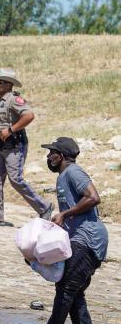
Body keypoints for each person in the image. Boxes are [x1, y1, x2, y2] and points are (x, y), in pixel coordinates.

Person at [41, 137, 108, 324]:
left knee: (66, 289)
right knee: (75, 293)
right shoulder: (63, 176)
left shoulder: (73, 172)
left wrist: (65, 214)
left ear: (60, 156)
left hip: (88, 240)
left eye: (51, 153)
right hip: (79, 239)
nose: (48, 157)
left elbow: (93, 197)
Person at [0, 69, 52, 226]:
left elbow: (29, 115)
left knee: (15, 179)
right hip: (0, 146)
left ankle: (44, 207)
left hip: (15, 146)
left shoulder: (14, 100)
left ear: (7, 85)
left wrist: (11, 129)